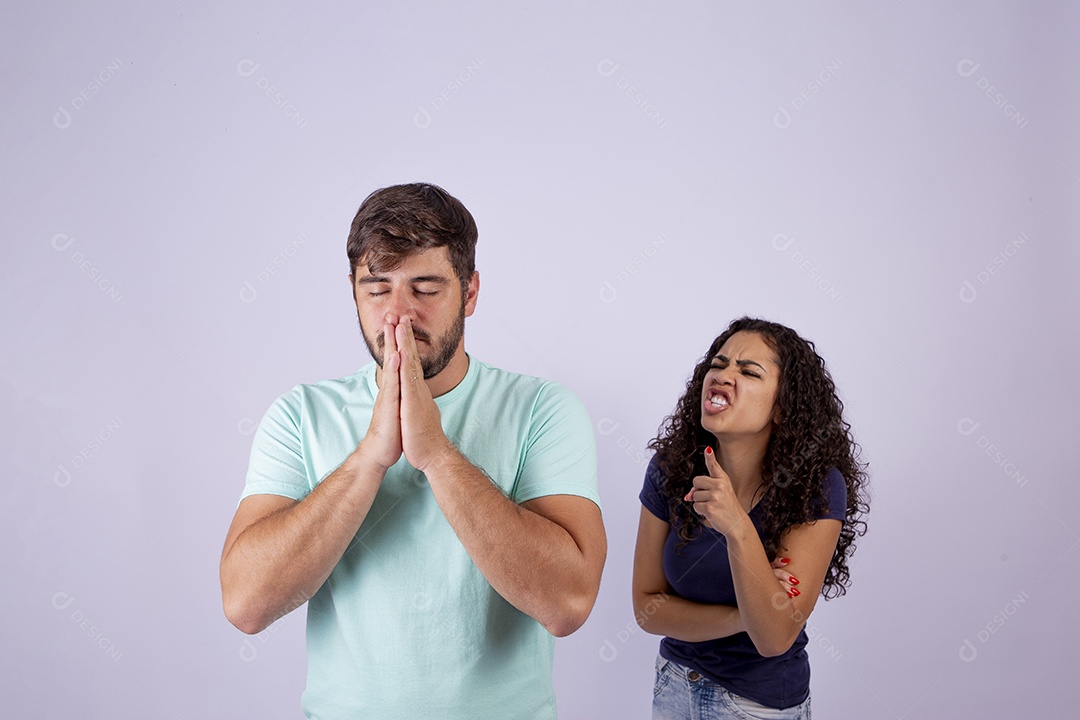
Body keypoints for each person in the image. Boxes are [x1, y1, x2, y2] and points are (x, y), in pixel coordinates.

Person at [220, 183, 606, 719]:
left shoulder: (543, 408)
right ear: (353, 291)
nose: (397, 315)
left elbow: (567, 604)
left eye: (425, 288)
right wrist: (369, 460)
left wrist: (437, 455)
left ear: (470, 293)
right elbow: (246, 604)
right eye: (377, 289)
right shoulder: (299, 413)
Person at [632, 317, 868, 719]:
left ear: (782, 407)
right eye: (719, 365)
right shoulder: (670, 469)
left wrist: (737, 527)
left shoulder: (817, 488)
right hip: (674, 684)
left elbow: (774, 637)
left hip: (755, 705)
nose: (724, 376)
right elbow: (647, 608)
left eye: (748, 371)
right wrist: (746, 618)